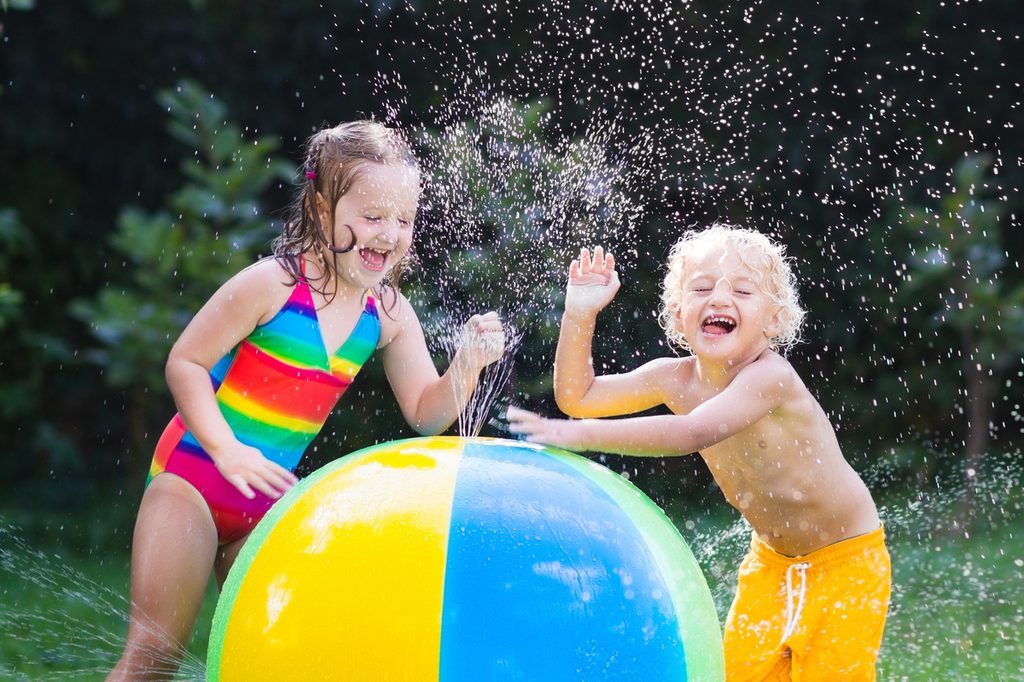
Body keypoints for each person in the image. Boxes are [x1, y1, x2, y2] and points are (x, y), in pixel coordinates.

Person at [109, 120, 506, 680]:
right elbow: (186, 362)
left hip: (263, 508)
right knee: (154, 660)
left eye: (403, 219)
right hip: (193, 481)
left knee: (274, 666)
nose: (389, 234)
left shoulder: (388, 313)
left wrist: (464, 366)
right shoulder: (273, 285)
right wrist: (226, 450)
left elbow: (425, 413)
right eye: (372, 217)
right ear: (322, 209)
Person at [506, 224, 890, 680]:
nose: (719, 299)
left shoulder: (771, 377)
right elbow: (578, 396)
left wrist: (581, 435)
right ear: (678, 310)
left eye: (742, 290)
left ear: (773, 320)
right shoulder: (674, 379)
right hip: (770, 563)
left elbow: (692, 432)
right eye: (702, 288)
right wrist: (580, 314)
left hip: (846, 563)